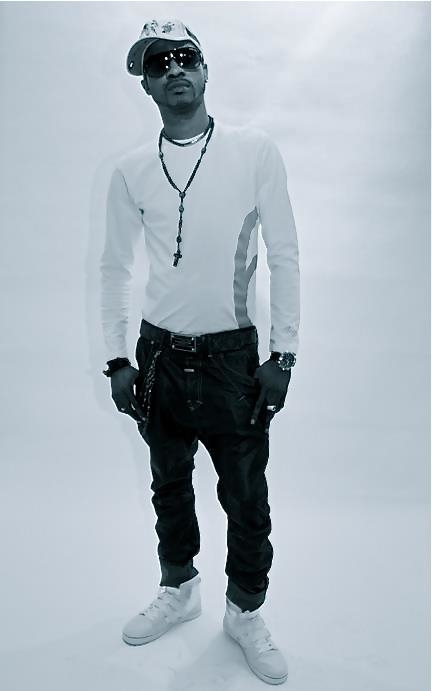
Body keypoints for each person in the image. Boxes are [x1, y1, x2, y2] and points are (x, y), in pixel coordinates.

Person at [100, 17, 300, 686]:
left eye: (186, 57)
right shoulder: (131, 170)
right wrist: (117, 359)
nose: (175, 69)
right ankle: (179, 587)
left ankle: (245, 611)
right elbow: (113, 267)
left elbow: (285, 253)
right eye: (159, 64)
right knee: (168, 483)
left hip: (233, 360)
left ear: (206, 70)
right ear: (147, 85)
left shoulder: (253, 151)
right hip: (157, 355)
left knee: (245, 495)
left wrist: (284, 355)